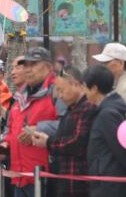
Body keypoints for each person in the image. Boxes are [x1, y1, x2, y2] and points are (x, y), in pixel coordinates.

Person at [2, 47, 58, 197]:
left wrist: (39, 128)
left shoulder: (58, 91)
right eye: (25, 65)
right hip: (19, 175)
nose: (27, 69)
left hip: (46, 176)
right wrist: (4, 145)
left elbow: (70, 125)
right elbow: (10, 129)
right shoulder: (20, 95)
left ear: (48, 67)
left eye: (33, 64)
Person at [31, 66, 95, 197]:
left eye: (61, 90)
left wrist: (48, 142)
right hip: (66, 179)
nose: (59, 96)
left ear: (76, 84)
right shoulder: (71, 109)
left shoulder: (86, 108)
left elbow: (77, 143)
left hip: (79, 183)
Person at [84, 65, 126, 197]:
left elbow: (121, 150)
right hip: (105, 181)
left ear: (94, 89)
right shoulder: (105, 110)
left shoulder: (107, 114)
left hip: (110, 184)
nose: (84, 92)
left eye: (85, 87)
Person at [93, 42, 126, 118]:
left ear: (120, 63)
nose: (103, 66)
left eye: (106, 62)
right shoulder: (119, 84)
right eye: (102, 63)